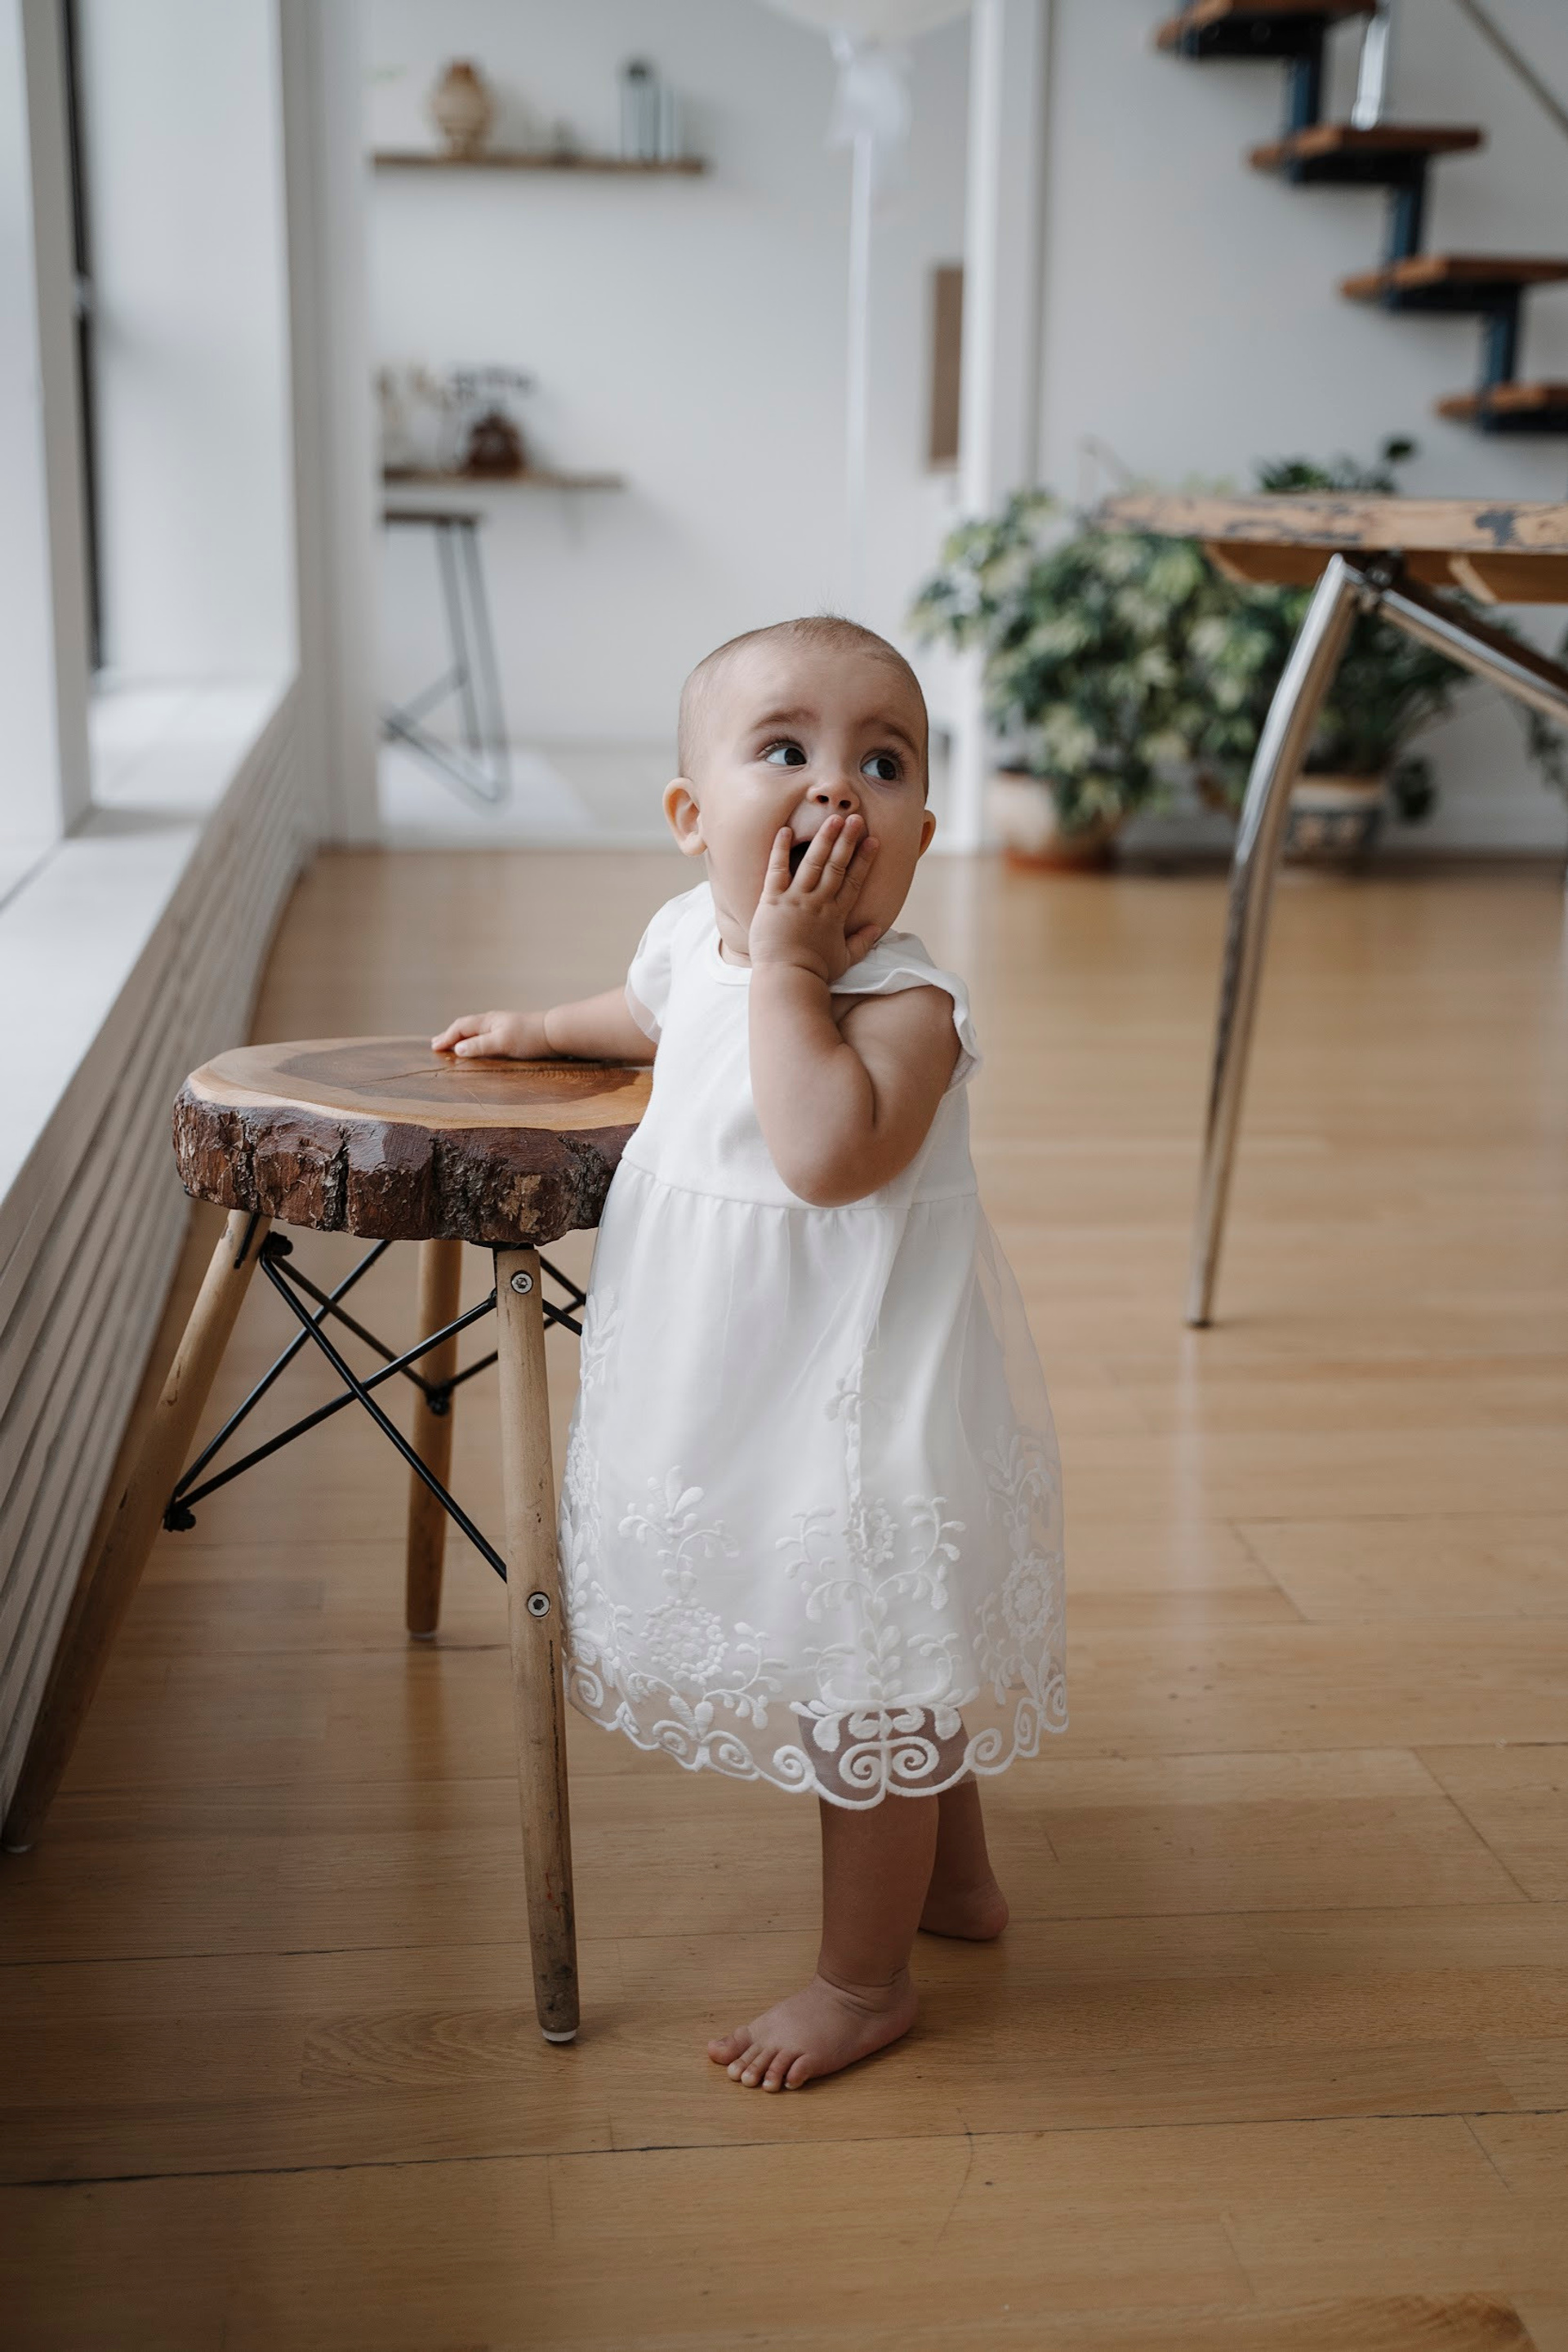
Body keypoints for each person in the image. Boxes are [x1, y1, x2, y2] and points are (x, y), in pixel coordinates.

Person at [433, 615, 1064, 2090]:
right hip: (732, 1383)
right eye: (784, 750)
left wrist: (790, 971)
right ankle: (958, 1880)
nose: (836, 787)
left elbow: (826, 1157)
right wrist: (539, 1023)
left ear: (922, 837)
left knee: (867, 1673)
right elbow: (649, 1013)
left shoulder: (905, 1007)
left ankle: (865, 1980)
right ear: (691, 814)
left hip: (853, 1402)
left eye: (884, 765)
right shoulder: (688, 939)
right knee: (889, 1651)